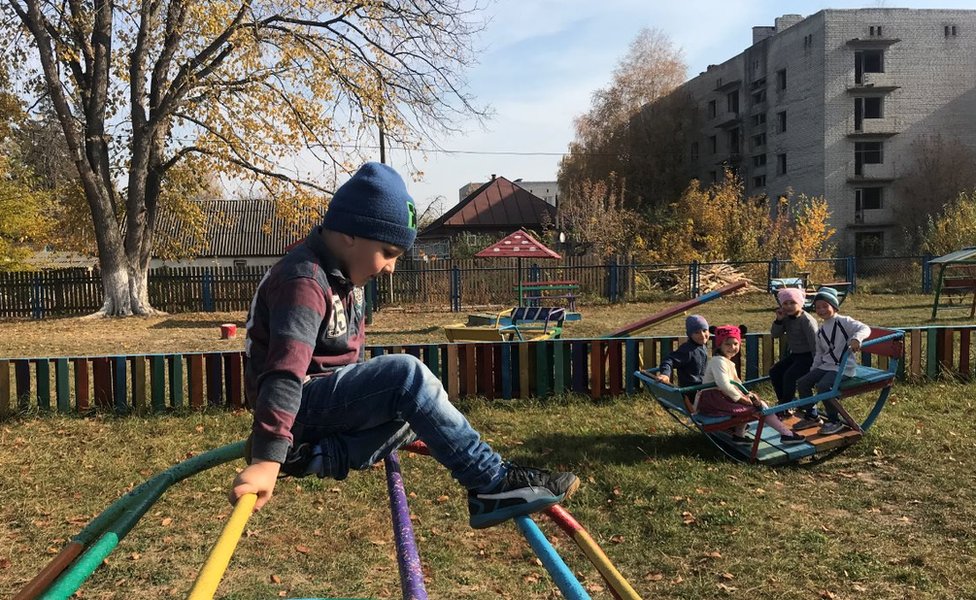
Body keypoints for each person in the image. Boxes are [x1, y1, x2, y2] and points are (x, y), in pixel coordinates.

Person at [229, 162, 579, 529]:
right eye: (388, 251)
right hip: (298, 403)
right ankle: (490, 483)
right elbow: (284, 373)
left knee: (426, 410)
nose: (392, 267)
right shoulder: (304, 281)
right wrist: (267, 458)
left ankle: (315, 456)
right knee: (407, 377)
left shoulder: (346, 278)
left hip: (319, 411)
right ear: (350, 234)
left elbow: (345, 363)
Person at [694, 325, 806, 446]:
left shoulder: (723, 361)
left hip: (718, 399)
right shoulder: (719, 361)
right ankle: (786, 434)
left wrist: (746, 395)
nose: (732, 347)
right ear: (719, 345)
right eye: (727, 344)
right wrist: (743, 399)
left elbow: (734, 385)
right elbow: (724, 384)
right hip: (715, 401)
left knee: (754, 401)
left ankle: (739, 435)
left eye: (735, 344)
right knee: (760, 407)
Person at [794, 287, 871, 436]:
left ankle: (834, 421)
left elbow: (864, 328)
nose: (822, 310)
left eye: (825, 306)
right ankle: (812, 415)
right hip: (827, 366)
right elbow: (819, 354)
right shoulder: (821, 331)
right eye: (818, 307)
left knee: (824, 386)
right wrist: (813, 370)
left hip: (844, 368)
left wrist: (856, 339)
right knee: (803, 382)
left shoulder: (844, 321)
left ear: (834, 307)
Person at [769, 287, 819, 423]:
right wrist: (779, 320)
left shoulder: (806, 320)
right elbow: (775, 334)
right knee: (775, 371)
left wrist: (816, 364)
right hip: (796, 355)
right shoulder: (786, 318)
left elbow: (815, 344)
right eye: (785, 303)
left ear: (800, 303)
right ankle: (785, 402)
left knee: (789, 376)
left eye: (792, 303)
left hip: (809, 356)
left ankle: (787, 404)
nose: (789, 306)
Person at [654, 315, 710, 388]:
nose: (702, 335)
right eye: (697, 332)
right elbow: (669, 360)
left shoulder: (700, 346)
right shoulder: (687, 350)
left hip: (702, 386)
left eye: (704, 330)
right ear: (690, 335)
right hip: (692, 390)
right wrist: (665, 374)